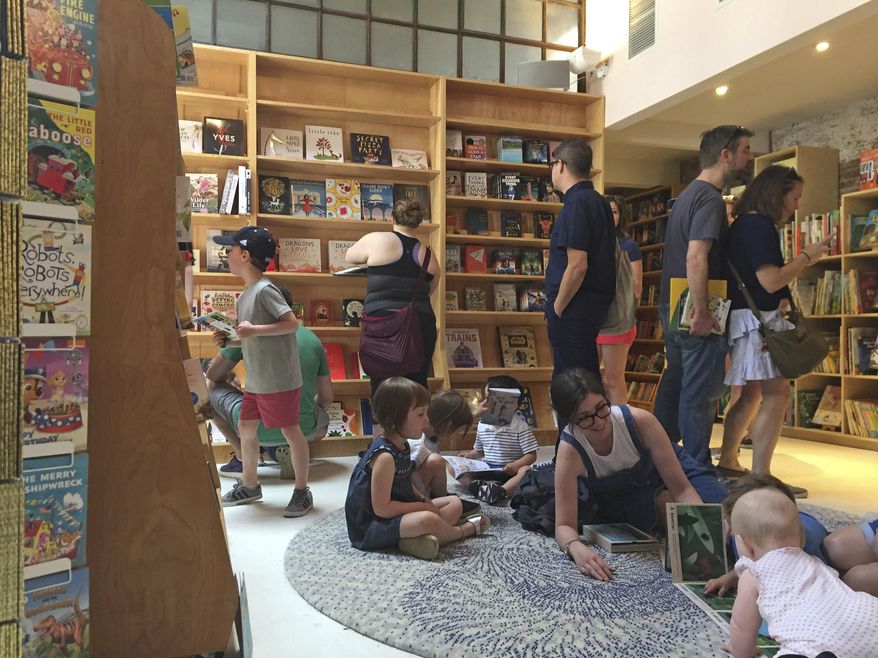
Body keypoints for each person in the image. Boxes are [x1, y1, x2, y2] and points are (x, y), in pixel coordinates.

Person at [716, 166, 831, 495]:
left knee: (751, 393)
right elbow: (770, 280)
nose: (796, 206)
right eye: (794, 198)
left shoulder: (742, 225)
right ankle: (762, 475)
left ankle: (729, 461)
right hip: (760, 322)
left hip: (745, 318)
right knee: (777, 393)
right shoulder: (759, 228)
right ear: (777, 196)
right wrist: (806, 257)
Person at [552, 368, 726, 581]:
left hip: (671, 467)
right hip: (628, 495)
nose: (598, 421)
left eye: (601, 408)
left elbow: (682, 488)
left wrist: (706, 524)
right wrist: (576, 549)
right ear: (569, 420)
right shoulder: (570, 450)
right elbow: (563, 525)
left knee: (724, 515)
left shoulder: (639, 421)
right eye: (585, 417)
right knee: (669, 512)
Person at [653, 125, 754, 469]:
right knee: (700, 392)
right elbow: (696, 257)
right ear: (725, 155)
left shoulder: (687, 196)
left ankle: (659, 459)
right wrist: (702, 311)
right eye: (745, 150)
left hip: (673, 304)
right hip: (696, 309)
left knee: (676, 382)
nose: (749, 157)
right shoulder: (710, 199)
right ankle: (696, 469)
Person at [211, 226, 313, 517]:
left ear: (245, 255)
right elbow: (253, 337)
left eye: (230, 250)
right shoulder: (245, 295)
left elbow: (291, 324)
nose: (226, 255)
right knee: (246, 428)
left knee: (291, 431)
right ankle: (250, 484)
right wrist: (230, 339)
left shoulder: (265, 289)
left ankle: (302, 491)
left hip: (278, 380)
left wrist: (253, 329)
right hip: (257, 380)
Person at [345, 378, 490, 561]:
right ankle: (460, 531)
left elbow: (403, 479)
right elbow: (381, 509)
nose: (427, 420)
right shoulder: (385, 457)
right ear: (396, 416)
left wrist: (422, 498)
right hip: (372, 526)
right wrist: (421, 506)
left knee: (454, 503)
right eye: (421, 414)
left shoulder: (402, 444)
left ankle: (415, 539)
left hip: (395, 513)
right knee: (428, 519)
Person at [725, 488, 878, 658]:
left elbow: (742, 629)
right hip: (870, 620)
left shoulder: (753, 575)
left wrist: (742, 652)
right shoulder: (814, 562)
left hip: (818, 644)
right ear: (802, 537)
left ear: (744, 544)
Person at [705, 473, 878, 598]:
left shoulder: (807, 559)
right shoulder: (752, 538)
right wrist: (731, 577)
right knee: (837, 548)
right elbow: (753, 566)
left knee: (854, 582)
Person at [205, 320, 333, 479]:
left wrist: (230, 374)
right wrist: (310, 407)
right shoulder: (312, 339)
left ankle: (242, 457)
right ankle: (291, 450)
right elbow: (326, 398)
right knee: (318, 417)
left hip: (254, 425)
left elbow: (213, 375)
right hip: (302, 427)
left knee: (208, 386)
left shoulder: (246, 334)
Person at [345, 198, 441, 397]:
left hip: (382, 321)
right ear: (419, 222)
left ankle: (385, 416)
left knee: (382, 384)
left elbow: (350, 256)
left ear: (392, 218)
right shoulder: (428, 254)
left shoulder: (376, 239)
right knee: (416, 385)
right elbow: (430, 288)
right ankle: (416, 416)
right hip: (419, 321)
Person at [544, 138, 616, 381]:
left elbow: (577, 265)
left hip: (572, 309)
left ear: (561, 165)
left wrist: (557, 308)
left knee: (572, 383)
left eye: (552, 164)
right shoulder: (599, 201)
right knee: (584, 379)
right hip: (590, 309)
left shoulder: (576, 204)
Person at [457, 375, 539, 505]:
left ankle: (501, 491)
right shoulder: (482, 424)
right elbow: (479, 450)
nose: (486, 403)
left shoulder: (519, 426)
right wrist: (468, 456)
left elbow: (531, 455)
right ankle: (477, 487)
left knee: (526, 470)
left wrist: (516, 465)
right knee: (456, 469)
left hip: (510, 472)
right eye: (487, 397)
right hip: (487, 469)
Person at [596, 195, 643, 403]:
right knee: (590, 378)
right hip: (595, 319)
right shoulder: (594, 242)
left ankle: (620, 420)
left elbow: (636, 286)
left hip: (618, 320)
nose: (609, 216)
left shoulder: (628, 246)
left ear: (621, 216)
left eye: (614, 212)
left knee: (613, 379)